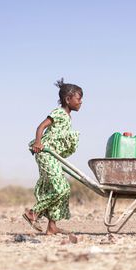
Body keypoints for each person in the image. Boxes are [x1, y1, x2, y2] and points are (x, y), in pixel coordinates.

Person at [23, 78, 83, 234]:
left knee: (60, 188)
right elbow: (41, 126)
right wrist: (37, 142)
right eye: (79, 98)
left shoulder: (68, 117)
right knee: (60, 189)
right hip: (45, 154)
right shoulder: (58, 112)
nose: (81, 102)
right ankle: (33, 213)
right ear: (68, 99)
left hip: (53, 156)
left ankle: (52, 226)